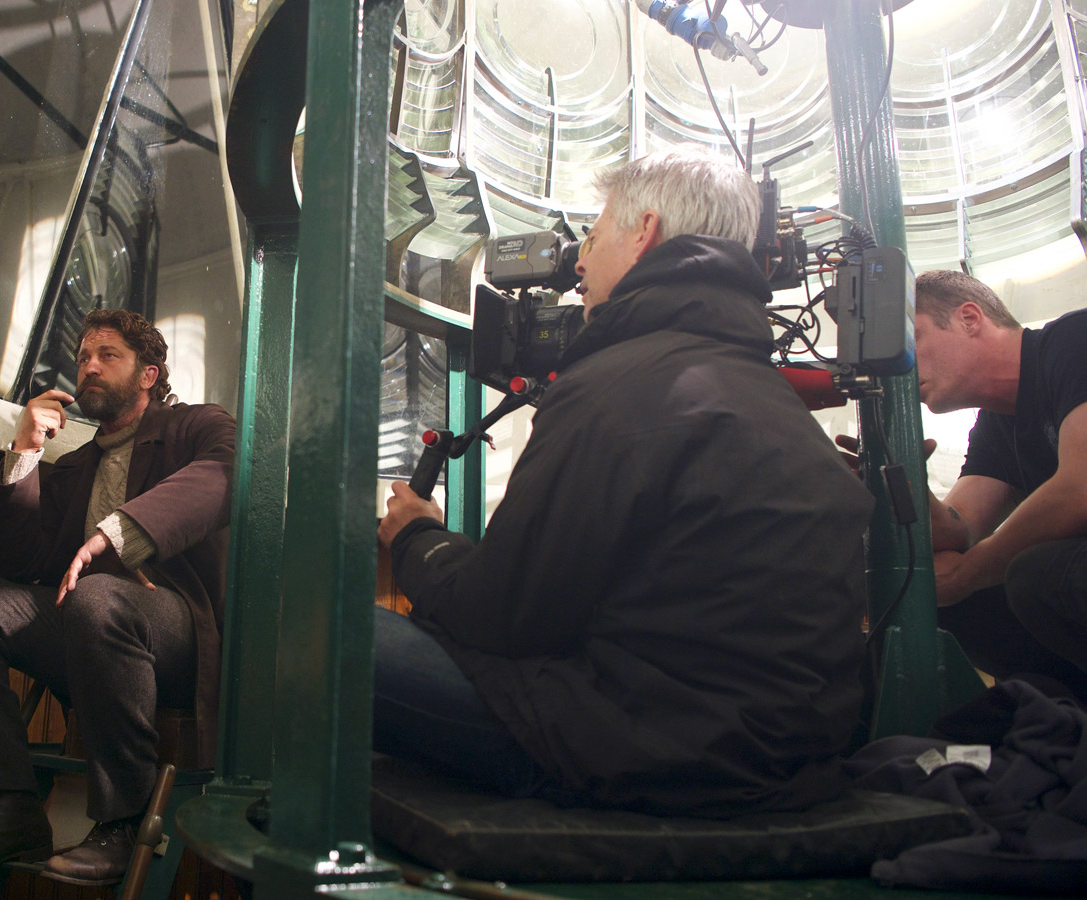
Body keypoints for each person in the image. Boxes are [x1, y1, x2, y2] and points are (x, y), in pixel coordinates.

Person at [375, 148, 874, 817]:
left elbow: (500, 619)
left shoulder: (616, 388)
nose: (579, 261)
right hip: (778, 761)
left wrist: (418, 540)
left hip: (639, 755)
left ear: (645, 232)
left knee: (327, 628)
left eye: (593, 233)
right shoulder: (765, 392)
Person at [0, 309, 235, 885]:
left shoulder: (197, 425)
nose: (89, 367)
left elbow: (227, 471)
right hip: (90, 631)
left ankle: (122, 820)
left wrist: (115, 534)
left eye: (108, 356)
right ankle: (7, 802)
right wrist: (23, 454)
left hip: (178, 635)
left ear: (148, 373)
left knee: (98, 597)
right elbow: (18, 565)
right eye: (84, 358)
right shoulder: (75, 464)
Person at [903, 270, 1087, 697]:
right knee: (947, 603)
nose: (903, 368)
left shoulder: (1073, 341)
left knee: (1035, 575)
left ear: (970, 318)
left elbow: (1079, 490)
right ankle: (1064, 724)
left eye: (914, 341)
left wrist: (968, 572)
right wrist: (900, 478)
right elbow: (960, 528)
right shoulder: (996, 425)